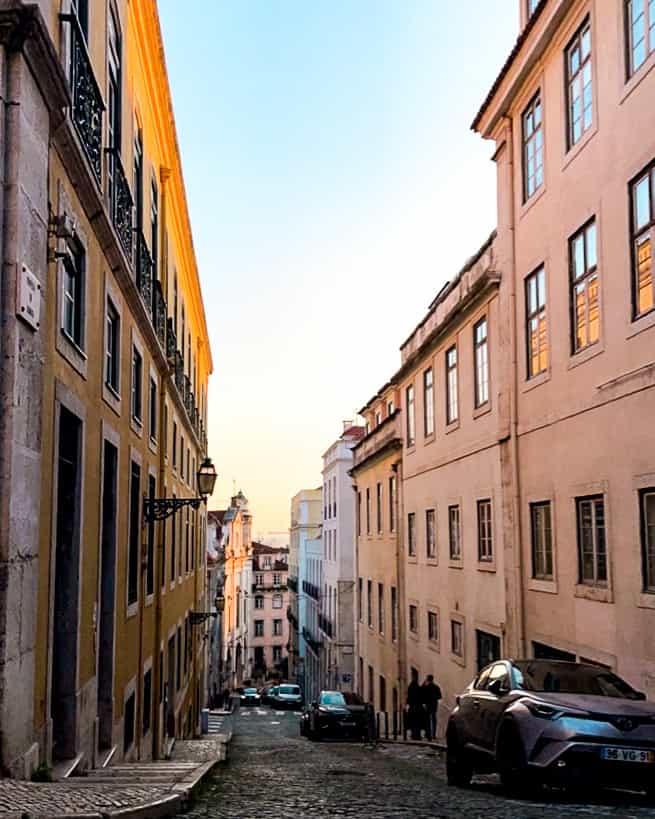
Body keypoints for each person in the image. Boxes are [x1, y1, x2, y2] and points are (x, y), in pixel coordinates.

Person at [421, 674, 442, 741]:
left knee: (427, 720)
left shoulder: (426, 687)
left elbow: (421, 691)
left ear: (428, 679)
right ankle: (433, 734)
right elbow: (440, 696)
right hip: (434, 705)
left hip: (428, 705)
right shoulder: (436, 687)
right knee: (434, 719)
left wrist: (424, 683)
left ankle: (428, 734)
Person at [406, 668, 422, 740]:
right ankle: (417, 735)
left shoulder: (410, 687)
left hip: (412, 707)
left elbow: (408, 697)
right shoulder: (418, 688)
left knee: (412, 722)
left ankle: (413, 734)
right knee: (417, 722)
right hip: (418, 708)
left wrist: (408, 704)